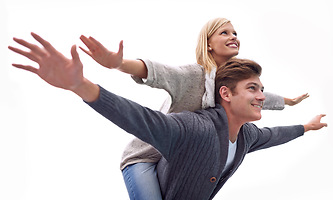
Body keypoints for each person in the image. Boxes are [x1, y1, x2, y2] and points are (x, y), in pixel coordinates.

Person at [8, 34, 327, 199]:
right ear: (226, 94)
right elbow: (142, 115)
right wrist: (83, 84)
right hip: (142, 158)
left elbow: (275, 135)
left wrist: (306, 127)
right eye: (254, 89)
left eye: (263, 91)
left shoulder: (245, 136)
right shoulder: (196, 124)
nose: (262, 97)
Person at [78, 18, 309, 199]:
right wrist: (119, 64)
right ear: (208, 43)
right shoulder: (192, 75)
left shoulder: (227, 85)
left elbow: (255, 98)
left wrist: (289, 102)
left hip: (183, 157)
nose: (233, 36)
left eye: (235, 33)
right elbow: (159, 72)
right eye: (224, 32)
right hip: (147, 156)